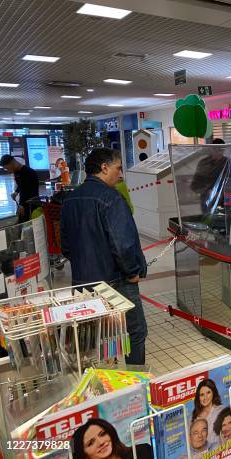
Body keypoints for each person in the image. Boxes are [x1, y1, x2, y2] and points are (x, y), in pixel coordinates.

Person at [60, 148, 147, 365]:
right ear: (104, 167)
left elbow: (66, 247)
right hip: (116, 283)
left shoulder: (70, 200)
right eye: (118, 168)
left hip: (81, 284)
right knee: (134, 332)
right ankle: (135, 384)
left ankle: (100, 382)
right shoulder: (111, 198)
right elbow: (123, 245)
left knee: (95, 335)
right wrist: (133, 271)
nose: (120, 175)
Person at [190, 138, 231, 218]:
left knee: (223, 223)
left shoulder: (228, 163)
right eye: (216, 150)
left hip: (224, 201)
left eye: (221, 150)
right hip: (207, 201)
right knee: (209, 222)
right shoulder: (204, 163)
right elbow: (195, 184)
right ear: (211, 149)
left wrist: (221, 193)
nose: (219, 153)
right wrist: (207, 190)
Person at [71, 418, 153, 459]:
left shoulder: (143, 452)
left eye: (102, 434)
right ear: (84, 455)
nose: (101, 442)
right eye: (90, 443)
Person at [0, 154, 39, 223]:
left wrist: (22, 205)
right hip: (24, 201)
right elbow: (21, 185)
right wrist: (16, 192)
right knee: (21, 220)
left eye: (7, 168)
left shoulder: (29, 172)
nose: (8, 171)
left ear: (12, 163)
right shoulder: (16, 172)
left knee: (29, 223)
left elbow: (29, 191)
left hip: (32, 202)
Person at [191, 379, 224, 446]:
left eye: (208, 392)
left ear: (213, 393)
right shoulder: (195, 416)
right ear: (198, 397)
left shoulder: (220, 411)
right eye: (202, 395)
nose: (205, 397)